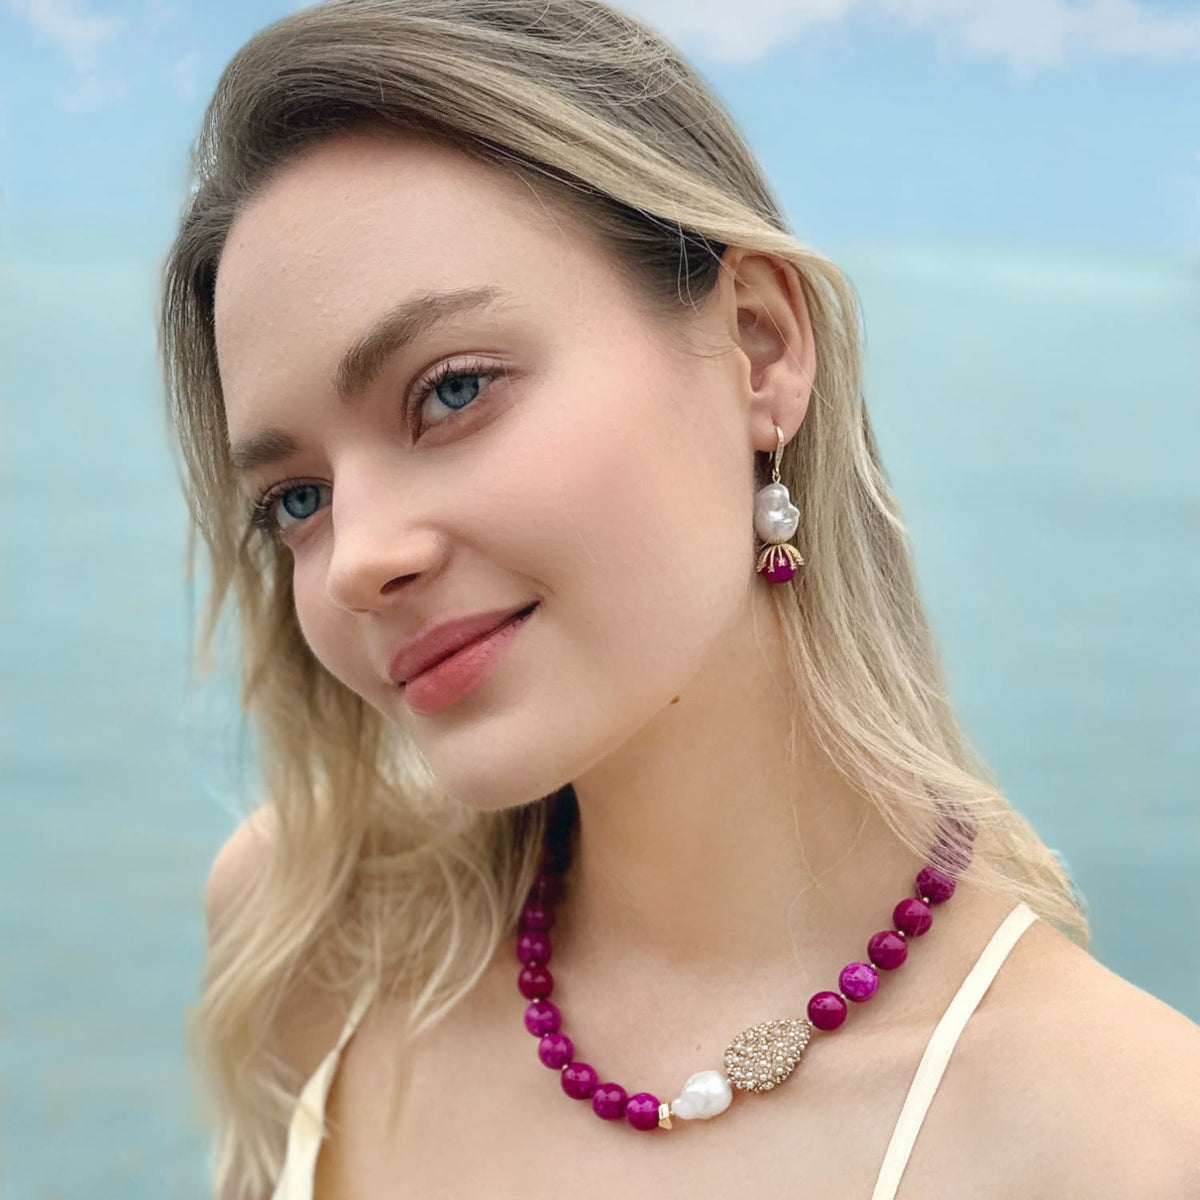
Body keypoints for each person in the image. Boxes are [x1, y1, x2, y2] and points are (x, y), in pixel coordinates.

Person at [159, 1, 1200, 1197]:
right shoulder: (309, 938)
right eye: (296, 499)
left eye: (451, 391)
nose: (356, 559)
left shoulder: (1121, 1144)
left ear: (758, 346)